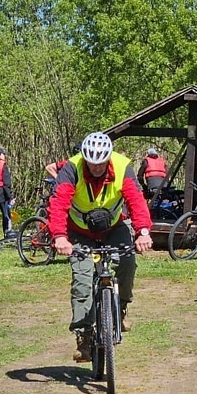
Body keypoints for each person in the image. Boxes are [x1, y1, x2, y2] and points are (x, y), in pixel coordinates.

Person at [47, 132, 153, 362]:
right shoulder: (71, 169)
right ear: (84, 158)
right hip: (78, 230)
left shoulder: (123, 167)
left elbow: (136, 200)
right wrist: (59, 237)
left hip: (114, 226)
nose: (96, 167)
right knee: (82, 279)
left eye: (101, 163)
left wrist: (143, 231)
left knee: (127, 261)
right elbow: (58, 203)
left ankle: (122, 307)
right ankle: (84, 336)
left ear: (108, 158)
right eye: (91, 163)